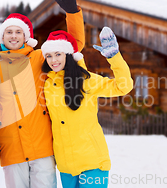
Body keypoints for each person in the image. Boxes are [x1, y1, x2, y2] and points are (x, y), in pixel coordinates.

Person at [0, 0, 85, 188]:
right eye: (9, 32)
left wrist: (72, 13)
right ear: (2, 36)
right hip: (11, 146)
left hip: (43, 146)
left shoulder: (39, 57)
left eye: (18, 32)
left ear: (26, 37)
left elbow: (72, 45)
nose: (14, 36)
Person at [41, 27, 133, 188]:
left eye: (58, 54)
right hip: (66, 165)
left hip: (92, 161)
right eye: (49, 55)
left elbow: (123, 87)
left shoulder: (86, 80)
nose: (53, 60)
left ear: (68, 55)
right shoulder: (47, 84)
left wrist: (114, 58)